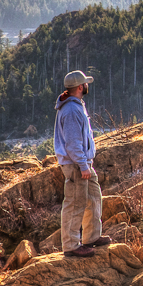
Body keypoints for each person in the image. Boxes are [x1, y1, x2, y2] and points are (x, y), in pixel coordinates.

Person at [54, 70, 111, 257]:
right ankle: (71, 245)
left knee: (93, 196)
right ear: (80, 87)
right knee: (75, 203)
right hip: (76, 165)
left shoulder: (76, 105)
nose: (87, 85)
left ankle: (91, 237)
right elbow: (72, 142)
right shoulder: (70, 110)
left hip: (82, 163)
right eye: (85, 83)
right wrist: (83, 165)